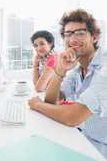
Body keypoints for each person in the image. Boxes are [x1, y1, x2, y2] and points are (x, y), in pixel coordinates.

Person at [28, 9, 107, 159]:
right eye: (68, 34)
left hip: (100, 149)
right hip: (83, 138)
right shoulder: (78, 67)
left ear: (95, 37)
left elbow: (73, 117)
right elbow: (52, 100)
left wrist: (37, 105)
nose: (72, 39)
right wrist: (60, 70)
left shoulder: (104, 67)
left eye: (80, 33)